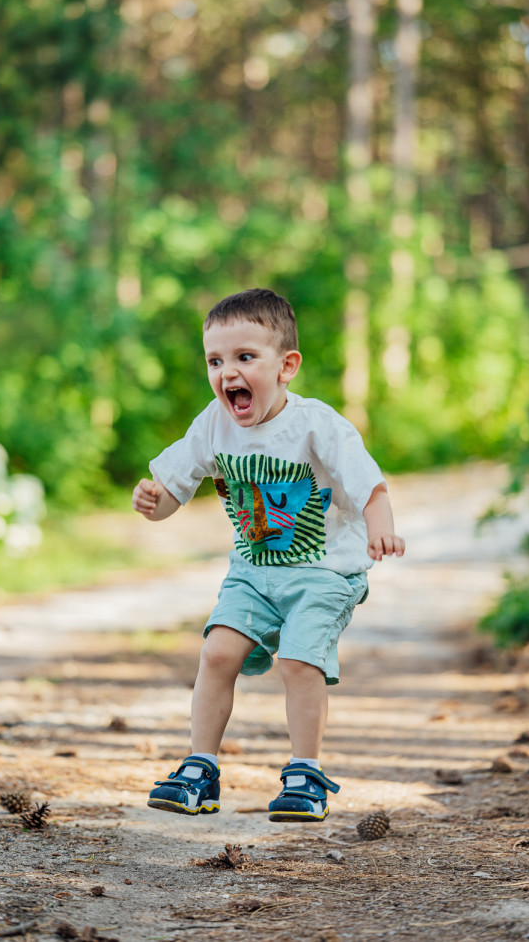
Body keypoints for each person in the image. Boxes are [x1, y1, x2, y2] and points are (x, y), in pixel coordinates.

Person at [131, 288, 404, 823]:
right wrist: (153, 502)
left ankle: (305, 774)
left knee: (300, 662)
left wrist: (381, 529)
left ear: (287, 366)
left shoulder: (317, 424)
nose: (227, 372)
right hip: (253, 575)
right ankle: (200, 769)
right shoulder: (213, 423)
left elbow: (368, 483)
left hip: (324, 573)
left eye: (244, 357)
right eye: (215, 360)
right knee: (216, 653)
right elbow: (173, 487)